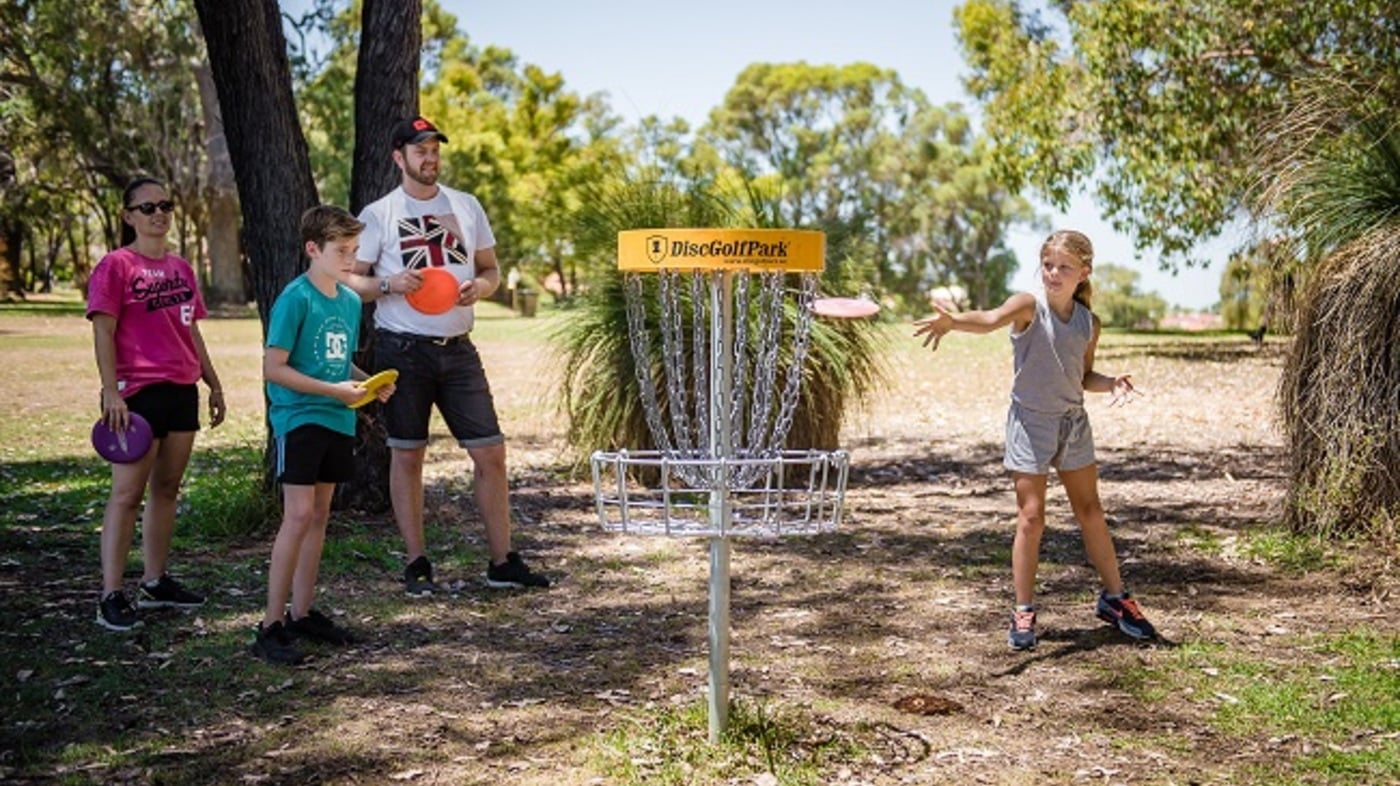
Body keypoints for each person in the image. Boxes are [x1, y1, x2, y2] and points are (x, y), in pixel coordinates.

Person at [912, 230, 1157, 651]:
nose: (1054, 273)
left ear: (1083, 272)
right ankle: (1023, 608)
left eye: (1064, 267)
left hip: (1072, 423)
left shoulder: (1087, 323)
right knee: (1031, 516)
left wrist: (1111, 381)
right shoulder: (1028, 306)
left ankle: (1115, 600)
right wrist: (954, 322)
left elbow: (1081, 377)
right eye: (1048, 265)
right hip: (1030, 423)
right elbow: (989, 319)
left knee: (1091, 511)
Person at [350, 115, 549, 595]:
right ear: (399, 157)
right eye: (419, 150)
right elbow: (350, 281)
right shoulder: (379, 214)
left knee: (491, 453)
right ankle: (417, 561)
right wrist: (388, 284)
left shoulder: (466, 205)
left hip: (459, 350)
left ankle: (502, 561)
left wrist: (480, 287)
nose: (430, 157)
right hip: (402, 348)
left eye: (434, 148)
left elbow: (490, 269)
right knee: (408, 456)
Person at [252, 205, 393, 664]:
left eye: (355, 250)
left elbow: (337, 365)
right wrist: (333, 389)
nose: (350, 259)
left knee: (320, 513)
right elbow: (275, 368)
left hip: (337, 417)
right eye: (341, 251)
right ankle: (270, 625)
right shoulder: (296, 298)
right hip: (300, 417)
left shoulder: (350, 301)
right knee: (298, 515)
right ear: (313, 249)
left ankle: (302, 613)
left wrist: (369, 383)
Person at [88, 177, 226, 631]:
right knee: (127, 494)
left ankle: (154, 581)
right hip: (136, 395)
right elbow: (103, 330)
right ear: (128, 216)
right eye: (147, 208)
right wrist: (112, 391)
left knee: (166, 489)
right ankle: (111, 593)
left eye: (165, 205)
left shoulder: (182, 269)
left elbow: (191, 330)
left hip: (181, 390)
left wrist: (212, 380)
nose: (158, 214)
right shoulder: (116, 266)